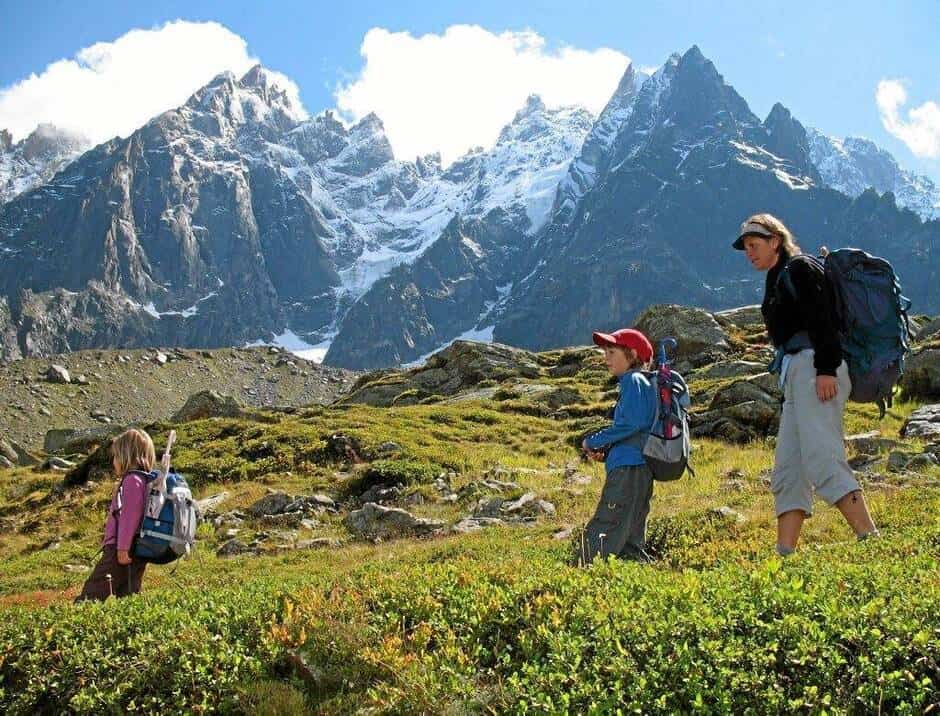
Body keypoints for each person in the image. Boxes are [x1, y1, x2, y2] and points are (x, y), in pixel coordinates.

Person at [733, 213, 879, 555]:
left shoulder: (799, 268)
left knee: (822, 457)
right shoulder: (776, 276)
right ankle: (785, 554)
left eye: (754, 245)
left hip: (816, 369)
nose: (749, 253)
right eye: (746, 248)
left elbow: (823, 318)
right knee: (789, 466)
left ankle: (869, 538)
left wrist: (826, 368)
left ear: (775, 242)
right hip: (797, 372)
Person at [578, 328, 657, 564]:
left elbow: (633, 423)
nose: (606, 358)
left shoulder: (633, 380)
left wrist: (593, 441)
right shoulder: (643, 383)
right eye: (605, 352)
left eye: (612, 351)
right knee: (630, 536)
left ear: (632, 354)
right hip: (640, 467)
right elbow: (639, 427)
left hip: (628, 469)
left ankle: (581, 575)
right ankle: (638, 580)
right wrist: (611, 452)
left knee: (606, 525)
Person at [75, 428, 155, 601]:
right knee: (128, 596)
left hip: (123, 549)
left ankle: (76, 623)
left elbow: (129, 517)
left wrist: (122, 548)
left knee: (92, 592)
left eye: (116, 456)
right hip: (138, 548)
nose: (114, 462)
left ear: (127, 456)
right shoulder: (143, 480)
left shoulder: (132, 480)